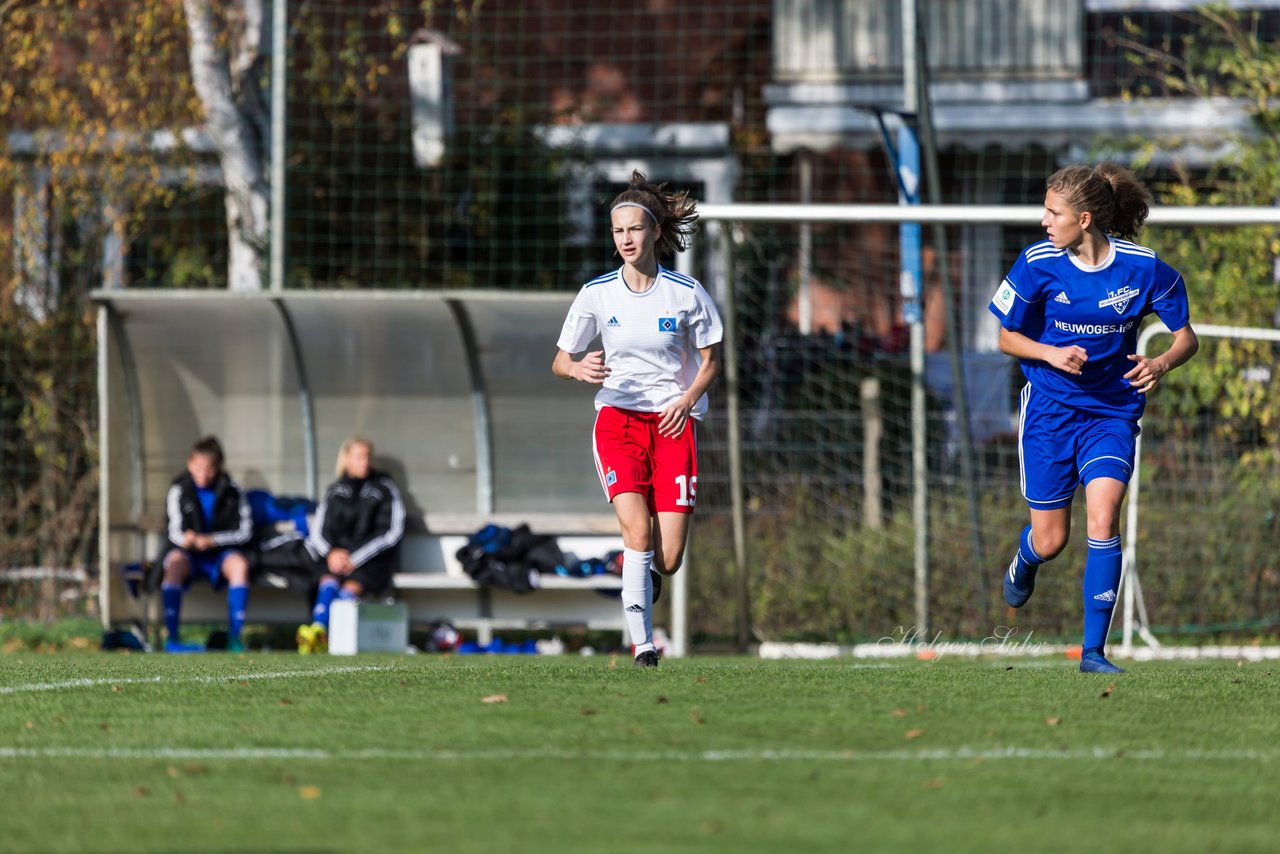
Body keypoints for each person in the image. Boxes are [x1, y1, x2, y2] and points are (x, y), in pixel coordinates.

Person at [989, 163, 1198, 674]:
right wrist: (1049, 353)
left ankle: (1093, 654)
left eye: (1052, 212)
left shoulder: (1142, 268)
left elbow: (1186, 338)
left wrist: (1160, 363)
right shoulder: (1036, 263)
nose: (1043, 221)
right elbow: (1004, 337)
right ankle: (1027, 558)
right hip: (1050, 413)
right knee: (1052, 540)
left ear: (1084, 219)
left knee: (1103, 518)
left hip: (1111, 413)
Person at [552, 170, 723, 669]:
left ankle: (644, 580)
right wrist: (578, 367)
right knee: (637, 534)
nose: (625, 239)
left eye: (633, 229)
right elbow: (560, 359)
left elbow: (712, 361)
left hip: (672, 426)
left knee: (668, 559)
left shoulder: (687, 293)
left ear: (654, 233)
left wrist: (687, 398)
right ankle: (644, 646)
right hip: (618, 423)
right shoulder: (597, 294)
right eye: (617, 231)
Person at [295, 437, 406, 653]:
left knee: (350, 587)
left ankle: (336, 639)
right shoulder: (335, 490)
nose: (364, 462)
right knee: (327, 580)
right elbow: (318, 531)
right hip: (336, 560)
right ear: (345, 459)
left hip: (372, 560)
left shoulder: (385, 488)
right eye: (359, 456)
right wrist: (331, 553)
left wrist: (355, 558)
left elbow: (391, 533)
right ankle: (317, 632)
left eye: (367, 457)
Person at [160, 436, 254, 653]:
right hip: (188, 553)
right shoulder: (178, 489)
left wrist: (213, 540)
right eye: (198, 467)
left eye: (209, 469)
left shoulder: (232, 490)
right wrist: (188, 539)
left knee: (240, 566)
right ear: (190, 464)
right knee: (173, 564)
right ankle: (172, 638)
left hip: (220, 553)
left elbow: (244, 532)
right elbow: (173, 531)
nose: (202, 474)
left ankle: (235, 638)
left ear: (218, 467)